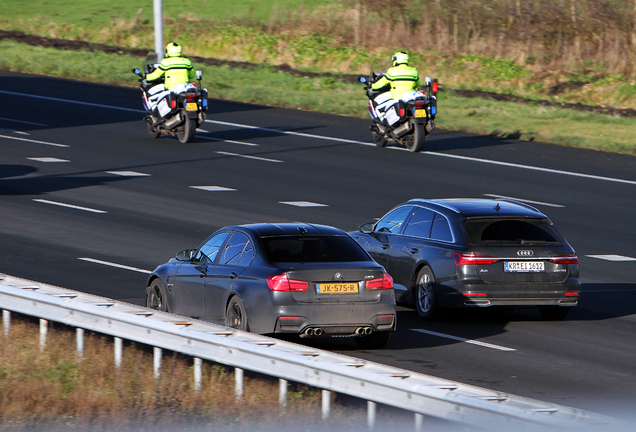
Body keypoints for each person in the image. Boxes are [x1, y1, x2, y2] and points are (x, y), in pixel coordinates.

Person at [370, 51, 421, 125]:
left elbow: (382, 82)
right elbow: (417, 84)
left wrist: (373, 86)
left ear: (396, 60)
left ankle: (384, 122)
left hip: (397, 97)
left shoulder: (392, 71)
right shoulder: (414, 71)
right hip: (410, 97)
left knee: (378, 107)